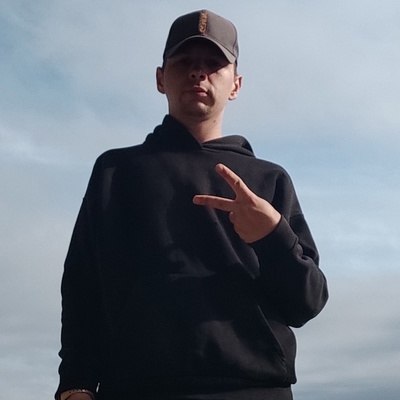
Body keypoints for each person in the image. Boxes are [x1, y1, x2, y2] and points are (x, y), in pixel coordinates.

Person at [55, 9, 328, 400]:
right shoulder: (117, 171)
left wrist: (272, 236)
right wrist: (75, 383)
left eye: (214, 64)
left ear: (236, 84)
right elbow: (83, 285)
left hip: (255, 388)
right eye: (184, 61)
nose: (198, 73)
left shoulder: (270, 180)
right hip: (136, 389)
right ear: (160, 78)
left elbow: (307, 303)